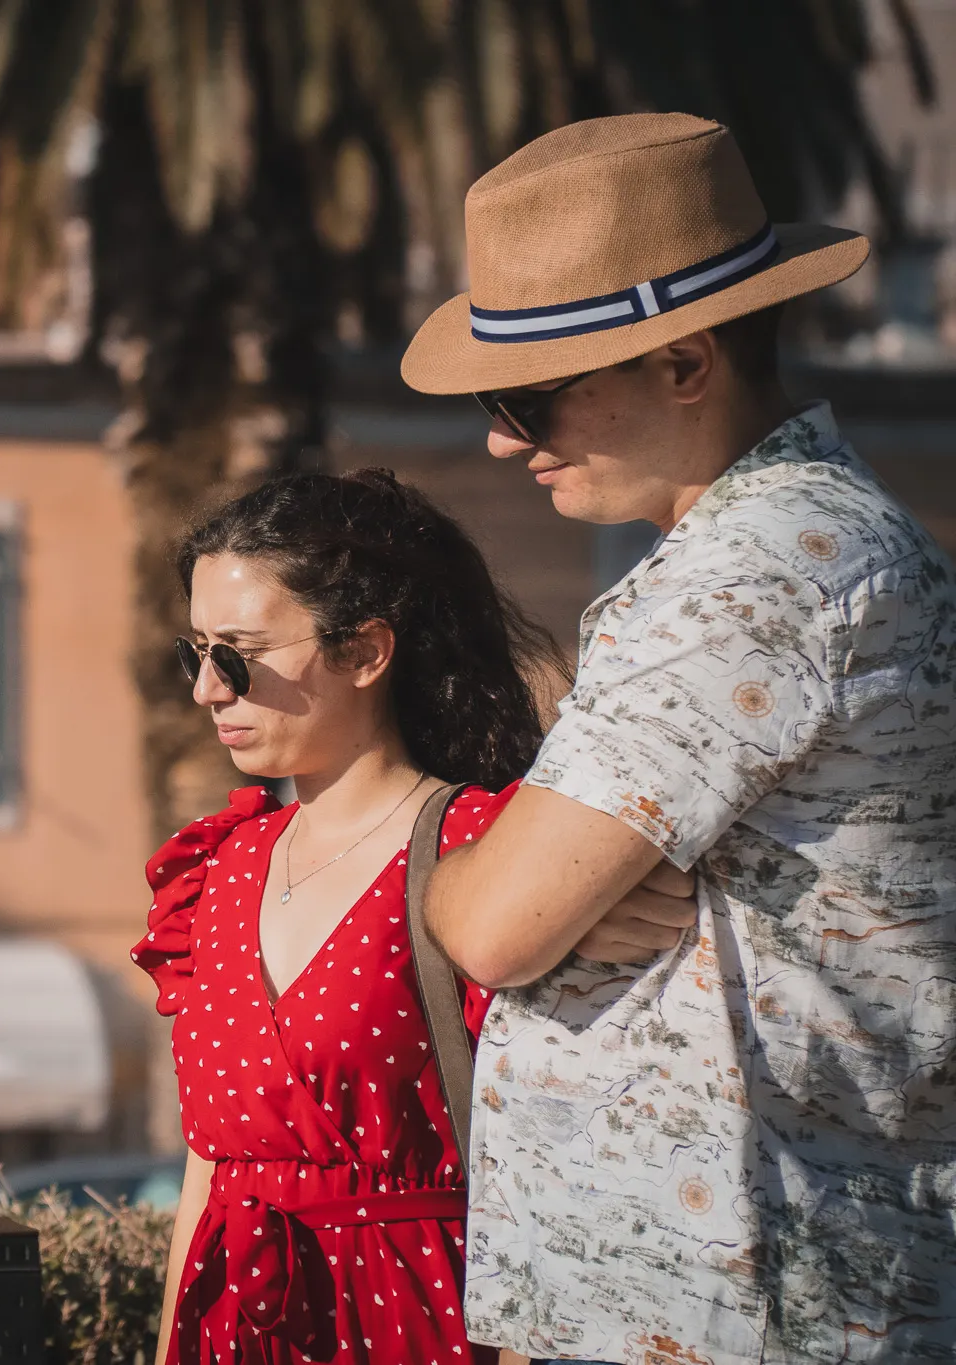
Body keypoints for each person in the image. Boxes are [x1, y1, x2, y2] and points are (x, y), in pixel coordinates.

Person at [402, 113, 956, 1364]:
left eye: (531, 395)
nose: (502, 437)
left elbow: (494, 927)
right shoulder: (806, 547)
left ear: (687, 363)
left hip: (734, 1303)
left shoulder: (748, 580)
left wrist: (470, 882)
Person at [136, 469, 578, 1365]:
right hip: (230, 1330)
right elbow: (210, 1166)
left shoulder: (482, 850)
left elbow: (547, 1159)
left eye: (239, 655)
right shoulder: (215, 868)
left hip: (414, 1323)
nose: (206, 691)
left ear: (366, 651)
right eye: (195, 654)